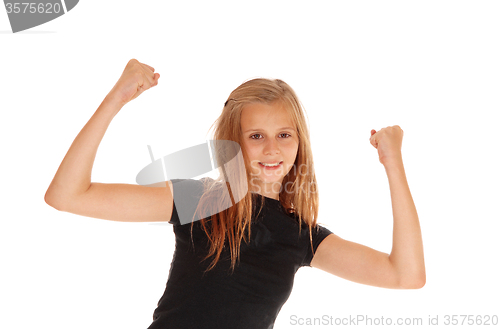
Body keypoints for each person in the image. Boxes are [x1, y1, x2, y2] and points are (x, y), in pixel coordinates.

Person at [45, 59, 426, 329]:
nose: (272, 150)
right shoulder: (201, 201)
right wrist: (117, 98)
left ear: (299, 143)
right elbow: (67, 195)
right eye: (256, 136)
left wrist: (392, 162)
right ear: (235, 142)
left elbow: (405, 275)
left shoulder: (302, 236)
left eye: (284, 135)